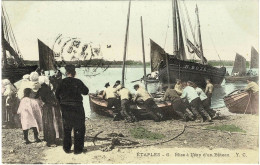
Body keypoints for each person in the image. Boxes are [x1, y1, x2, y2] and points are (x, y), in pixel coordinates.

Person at [55, 65, 89, 154]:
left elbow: (56, 95)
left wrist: (61, 103)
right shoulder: (78, 82)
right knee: (79, 128)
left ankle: (66, 148)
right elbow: (86, 92)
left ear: (66, 73)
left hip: (65, 107)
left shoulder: (62, 82)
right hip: (77, 107)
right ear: (74, 73)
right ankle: (78, 150)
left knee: (67, 128)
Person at [36, 76, 63, 147]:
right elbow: (50, 99)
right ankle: (52, 140)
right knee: (51, 123)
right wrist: (56, 103)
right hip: (50, 107)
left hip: (46, 107)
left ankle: (48, 139)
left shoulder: (40, 88)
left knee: (47, 123)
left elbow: (38, 97)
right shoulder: (46, 89)